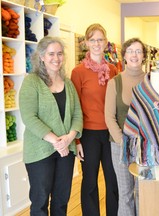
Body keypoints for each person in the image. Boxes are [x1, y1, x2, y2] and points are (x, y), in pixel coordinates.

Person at [19, 36, 83, 216]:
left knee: (62, 200)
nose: (56, 58)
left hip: (65, 151)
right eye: (51, 54)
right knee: (40, 201)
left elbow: (77, 114)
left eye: (60, 54)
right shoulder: (31, 82)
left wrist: (70, 137)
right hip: (40, 151)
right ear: (41, 56)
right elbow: (29, 117)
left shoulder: (68, 84)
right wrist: (56, 141)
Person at [71, 23, 118, 216]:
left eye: (100, 39)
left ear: (106, 42)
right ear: (86, 43)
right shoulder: (78, 72)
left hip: (111, 133)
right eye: (92, 40)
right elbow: (74, 108)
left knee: (113, 180)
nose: (97, 43)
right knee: (89, 181)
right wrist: (77, 140)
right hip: (88, 134)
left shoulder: (114, 70)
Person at [105, 38, 147, 216]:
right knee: (126, 194)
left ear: (144, 56)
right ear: (124, 56)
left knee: (143, 192)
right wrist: (123, 141)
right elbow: (109, 116)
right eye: (130, 51)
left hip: (146, 147)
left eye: (138, 51)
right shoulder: (115, 82)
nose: (134, 55)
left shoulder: (152, 80)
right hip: (120, 145)